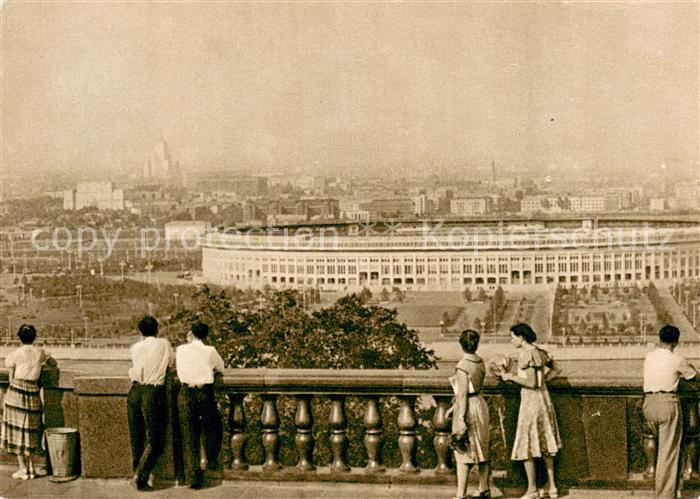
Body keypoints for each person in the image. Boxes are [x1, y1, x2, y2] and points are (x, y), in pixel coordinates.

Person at [496, 323, 562, 499]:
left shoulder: (527, 353)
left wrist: (510, 376)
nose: (511, 340)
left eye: (513, 337)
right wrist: (544, 382)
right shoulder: (540, 351)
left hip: (531, 402)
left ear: (521, 337)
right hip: (544, 399)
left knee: (527, 444)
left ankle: (532, 489)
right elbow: (557, 369)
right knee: (547, 442)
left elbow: (531, 383)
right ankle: (552, 486)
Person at [642, 325, 698, 499]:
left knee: (653, 444)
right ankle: (665, 496)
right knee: (668, 453)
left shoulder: (649, 357)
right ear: (676, 342)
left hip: (648, 404)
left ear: (659, 339)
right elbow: (694, 376)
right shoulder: (677, 359)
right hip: (667, 404)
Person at [176, 322, 225, 489]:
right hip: (204, 393)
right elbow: (221, 367)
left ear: (191, 334)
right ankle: (211, 462)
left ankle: (194, 477)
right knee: (213, 427)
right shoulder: (210, 350)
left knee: (189, 434)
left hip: (186, 392)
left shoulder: (181, 350)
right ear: (206, 335)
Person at [127, 315, 173, 491]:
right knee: (154, 439)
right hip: (153, 392)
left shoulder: (135, 347)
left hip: (135, 391)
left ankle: (140, 477)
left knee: (136, 438)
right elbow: (171, 364)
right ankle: (140, 475)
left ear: (140, 332)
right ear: (157, 329)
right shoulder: (164, 344)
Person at [1, 324, 51, 480]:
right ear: (34, 337)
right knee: (31, 431)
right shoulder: (40, 353)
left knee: (16, 431)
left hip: (16, 392)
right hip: (33, 393)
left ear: (19, 337)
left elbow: (11, 378)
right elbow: (51, 361)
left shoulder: (14, 354)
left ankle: (23, 469)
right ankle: (31, 468)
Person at [449, 329, 491, 499]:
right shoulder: (480, 362)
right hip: (480, 405)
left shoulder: (462, 366)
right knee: (482, 448)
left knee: (462, 449)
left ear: (461, 344)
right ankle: (484, 488)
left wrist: (459, 418)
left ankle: (460, 494)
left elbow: (463, 394)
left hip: (468, 408)